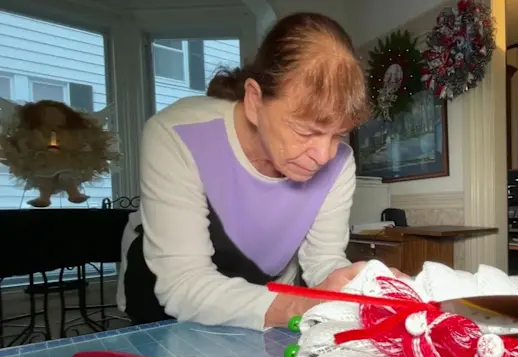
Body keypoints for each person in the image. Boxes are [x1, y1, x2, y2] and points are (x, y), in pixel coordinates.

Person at [116, 12, 372, 330]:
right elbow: (183, 283)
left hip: (268, 301)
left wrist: (359, 288)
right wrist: (301, 304)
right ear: (254, 100)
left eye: (338, 134)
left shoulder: (340, 163)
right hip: (162, 309)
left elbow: (323, 262)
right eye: (307, 131)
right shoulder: (177, 133)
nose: (324, 155)